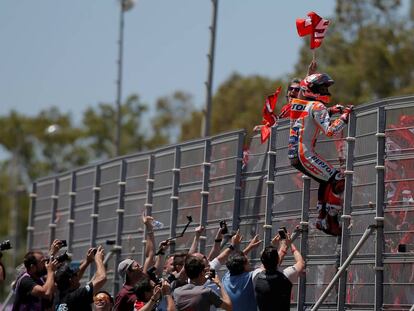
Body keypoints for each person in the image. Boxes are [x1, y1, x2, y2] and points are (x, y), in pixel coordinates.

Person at [288, 72, 353, 235]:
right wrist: (345, 117)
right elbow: (330, 131)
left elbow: (310, 117)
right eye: (322, 87)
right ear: (312, 89)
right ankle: (330, 218)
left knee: (326, 180)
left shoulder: (298, 104)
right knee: (338, 180)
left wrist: (330, 111)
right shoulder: (318, 106)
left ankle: (321, 217)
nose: (325, 91)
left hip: (295, 153)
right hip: (305, 155)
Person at [114, 215, 157, 310]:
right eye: (136, 266)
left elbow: (150, 255)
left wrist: (149, 228)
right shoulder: (124, 294)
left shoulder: (144, 279)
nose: (141, 266)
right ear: (129, 272)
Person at [254, 234, 305, 311]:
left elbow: (266, 260)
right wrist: (290, 244)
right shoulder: (285, 276)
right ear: (277, 260)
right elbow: (301, 263)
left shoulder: (256, 276)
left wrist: (274, 246)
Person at [55, 246, 107, 311]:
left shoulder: (58, 297)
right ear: (71, 281)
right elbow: (102, 278)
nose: (77, 276)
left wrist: (87, 261)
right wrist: (99, 259)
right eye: (75, 275)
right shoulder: (77, 295)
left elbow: (74, 278)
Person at [221, 234, 262, 311]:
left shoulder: (225, 278)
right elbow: (268, 265)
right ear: (243, 266)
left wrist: (249, 247)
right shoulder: (250, 277)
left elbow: (234, 261)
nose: (249, 262)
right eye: (247, 262)